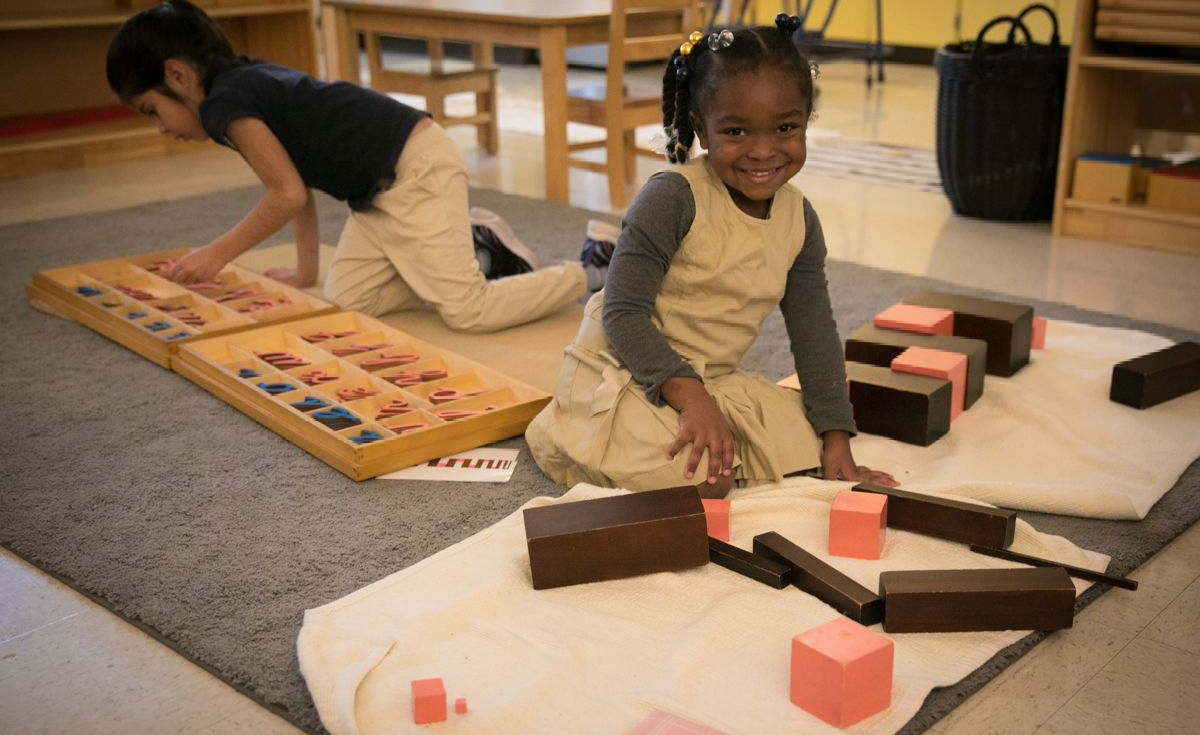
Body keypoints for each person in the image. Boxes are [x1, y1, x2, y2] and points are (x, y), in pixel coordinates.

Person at [526, 19, 897, 497]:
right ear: (701, 128)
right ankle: (563, 431)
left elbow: (815, 333)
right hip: (623, 369)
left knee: (802, 444)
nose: (763, 151)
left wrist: (837, 440)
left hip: (712, 378)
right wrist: (692, 399)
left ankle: (705, 417)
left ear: (807, 118)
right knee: (702, 478)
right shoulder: (672, 198)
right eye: (737, 131)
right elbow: (622, 313)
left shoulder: (801, 220)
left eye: (786, 127)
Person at [105, 0, 605, 332]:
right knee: (346, 302)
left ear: (177, 75)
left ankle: (595, 268)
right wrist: (305, 273)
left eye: (153, 110)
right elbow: (293, 183)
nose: (161, 127)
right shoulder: (237, 89)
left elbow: (286, 196)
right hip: (379, 190)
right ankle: (468, 249)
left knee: (467, 311)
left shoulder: (225, 106)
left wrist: (215, 255)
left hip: (415, 169)